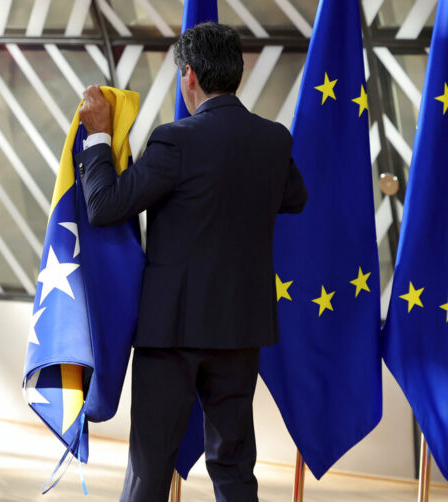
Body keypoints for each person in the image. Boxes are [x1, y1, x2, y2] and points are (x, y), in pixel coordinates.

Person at [76, 22, 307, 502]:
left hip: (172, 333)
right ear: (237, 75)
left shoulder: (175, 141)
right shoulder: (273, 140)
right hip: (241, 330)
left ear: (190, 77)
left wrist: (98, 137)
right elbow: (295, 198)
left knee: (150, 467)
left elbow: (105, 206)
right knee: (234, 466)